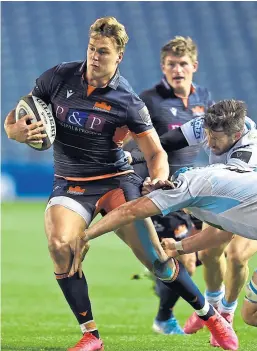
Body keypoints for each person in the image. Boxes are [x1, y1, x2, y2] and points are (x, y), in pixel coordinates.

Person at [4, 17, 235, 351]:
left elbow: (156, 151)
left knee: (157, 260)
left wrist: (157, 176)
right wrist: (16, 132)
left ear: (119, 56)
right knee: (60, 247)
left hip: (114, 183)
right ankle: (91, 336)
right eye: (91, 49)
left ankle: (211, 318)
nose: (94, 57)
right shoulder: (57, 77)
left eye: (102, 51)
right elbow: (15, 118)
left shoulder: (127, 101)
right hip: (70, 183)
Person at [68, 163, 257, 327]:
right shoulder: (214, 185)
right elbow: (218, 235)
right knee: (250, 314)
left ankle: (215, 311)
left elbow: (130, 212)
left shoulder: (190, 189)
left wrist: (85, 235)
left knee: (249, 311)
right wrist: (177, 247)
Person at [124, 35, 214, 334]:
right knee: (184, 259)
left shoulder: (204, 98)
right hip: (161, 190)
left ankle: (162, 280)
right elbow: (128, 139)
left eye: (183, 64)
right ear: (163, 67)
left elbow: (215, 139)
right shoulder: (149, 100)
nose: (177, 69)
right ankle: (164, 318)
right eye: (171, 64)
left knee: (210, 249)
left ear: (194, 66)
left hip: (193, 188)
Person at [159, 99, 257, 345]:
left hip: (250, 204)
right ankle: (212, 307)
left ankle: (226, 313)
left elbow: (224, 226)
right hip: (226, 192)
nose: (209, 143)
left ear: (236, 134)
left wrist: (180, 244)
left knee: (236, 255)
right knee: (209, 254)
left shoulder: (249, 151)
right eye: (207, 135)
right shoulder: (212, 125)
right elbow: (166, 142)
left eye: (215, 138)